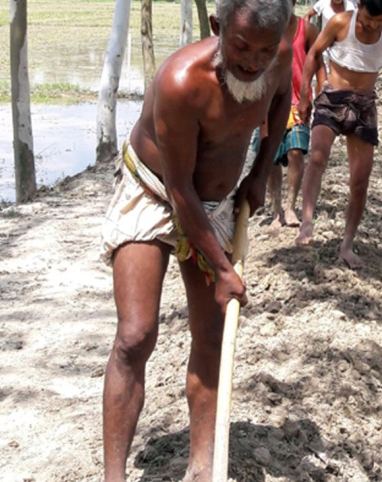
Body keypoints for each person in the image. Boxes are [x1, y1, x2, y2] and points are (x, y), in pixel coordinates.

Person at [98, 0, 294, 479]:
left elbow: (281, 101)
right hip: (154, 189)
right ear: (217, 26)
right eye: (241, 46)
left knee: (211, 335)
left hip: (215, 202)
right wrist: (223, 270)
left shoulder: (278, 56)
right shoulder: (181, 81)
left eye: (264, 51)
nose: (253, 62)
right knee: (135, 336)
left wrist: (259, 173)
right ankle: (113, 476)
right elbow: (180, 190)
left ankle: (203, 468)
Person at [295, 0, 382, 269]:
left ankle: (347, 245)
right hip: (332, 100)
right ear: (360, 6)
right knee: (317, 157)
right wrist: (305, 96)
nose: (372, 26)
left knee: (360, 180)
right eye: (367, 20)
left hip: (364, 105)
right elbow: (313, 53)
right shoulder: (341, 23)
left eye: (378, 21)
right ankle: (306, 222)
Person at [265, 1, 320, 229]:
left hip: (298, 101)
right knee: (270, 156)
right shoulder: (265, 28)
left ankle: (290, 206)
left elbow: (319, 62)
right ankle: (276, 209)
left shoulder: (307, 30)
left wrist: (319, 93)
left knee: (296, 151)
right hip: (268, 102)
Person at [304, 0, 357, 96]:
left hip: (343, 50)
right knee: (322, 78)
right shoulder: (323, 3)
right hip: (325, 48)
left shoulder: (351, 6)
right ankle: (319, 99)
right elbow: (308, 15)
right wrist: (306, 32)